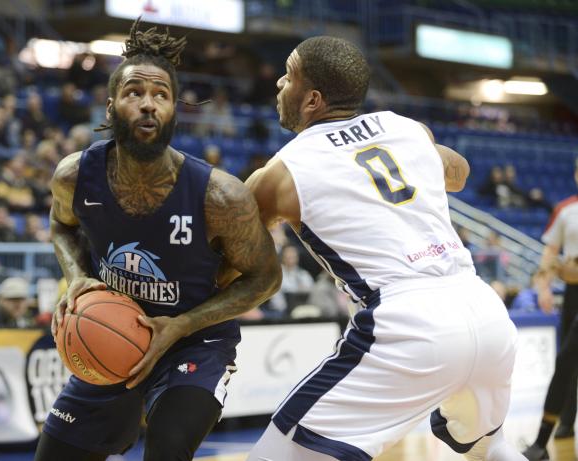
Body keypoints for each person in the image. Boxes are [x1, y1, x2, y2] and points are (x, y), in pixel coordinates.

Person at [243, 36, 525, 461]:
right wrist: (428, 161)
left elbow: (233, 251)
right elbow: (461, 174)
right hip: (484, 312)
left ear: (313, 99)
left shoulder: (280, 173)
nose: (280, 82)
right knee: (492, 449)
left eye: (289, 74)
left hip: (405, 322)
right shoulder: (407, 128)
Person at [33, 19, 281, 461]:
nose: (148, 104)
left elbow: (265, 278)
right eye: (134, 93)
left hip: (194, 340)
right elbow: (61, 226)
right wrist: (76, 278)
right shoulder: (75, 175)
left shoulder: (220, 196)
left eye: (160, 95)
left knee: (167, 449)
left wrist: (181, 325)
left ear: (173, 110)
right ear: (110, 108)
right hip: (115, 332)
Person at [522, 188, 578, 460]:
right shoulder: (566, 209)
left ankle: (540, 443)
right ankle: (555, 430)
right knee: (567, 360)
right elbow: (551, 252)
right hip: (573, 290)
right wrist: (544, 285)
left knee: (568, 358)